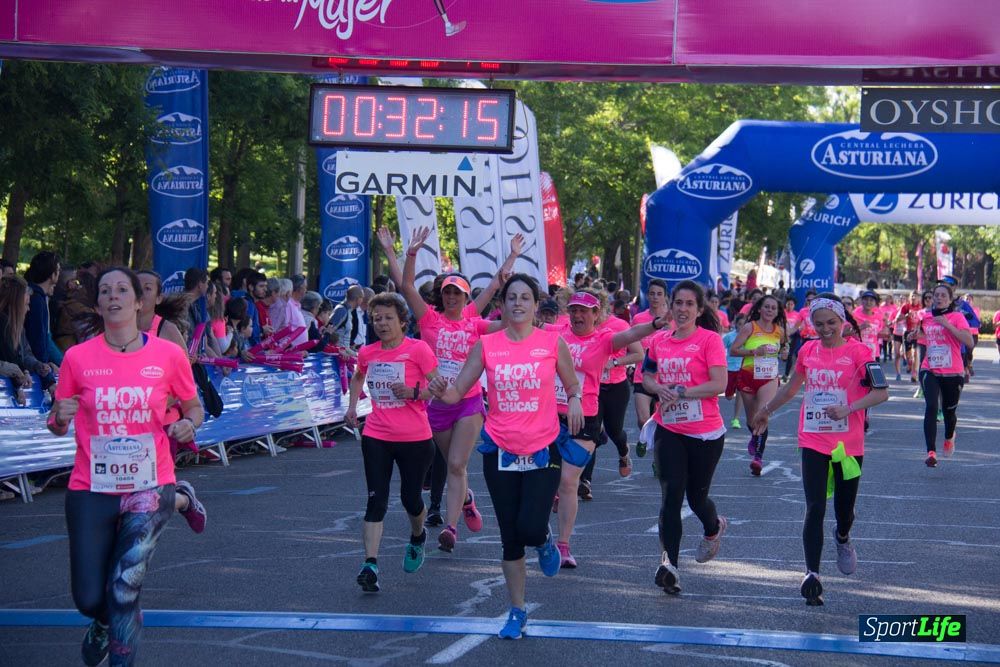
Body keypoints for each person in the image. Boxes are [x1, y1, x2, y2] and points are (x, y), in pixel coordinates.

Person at [48, 267, 205, 666]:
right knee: (89, 599)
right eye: (105, 291)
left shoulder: (168, 354)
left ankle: (176, 495)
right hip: (91, 487)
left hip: (148, 487)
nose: (113, 296)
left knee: (123, 591)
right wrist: (58, 417)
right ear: (98, 305)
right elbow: (57, 423)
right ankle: (101, 622)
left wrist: (189, 423)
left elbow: (193, 406)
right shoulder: (77, 358)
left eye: (122, 290)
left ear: (139, 302)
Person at [429, 274, 583, 640]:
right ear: (503, 305)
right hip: (500, 450)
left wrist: (575, 398)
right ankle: (517, 610)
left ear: (534, 304)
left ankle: (545, 541)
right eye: (511, 297)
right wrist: (439, 390)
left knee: (530, 527)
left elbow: (571, 381)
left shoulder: (551, 341)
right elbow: (458, 393)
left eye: (525, 297)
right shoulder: (486, 345)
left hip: (544, 447)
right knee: (511, 539)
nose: (517, 303)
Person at [377, 225, 521, 553]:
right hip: (436, 404)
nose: (452, 297)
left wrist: (512, 256)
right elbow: (406, 285)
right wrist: (401, 251)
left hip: (468, 401)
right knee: (450, 463)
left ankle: (451, 529)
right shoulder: (428, 320)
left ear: (466, 297)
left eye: (458, 292)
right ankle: (467, 498)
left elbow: (498, 285)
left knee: (456, 464)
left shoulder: (475, 318)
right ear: (441, 296)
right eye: (447, 292)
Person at [752, 293, 888, 605]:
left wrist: (850, 408)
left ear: (842, 322)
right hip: (812, 437)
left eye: (831, 323)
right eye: (819, 323)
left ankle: (843, 536)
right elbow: (791, 388)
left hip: (847, 444)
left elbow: (881, 393)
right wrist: (766, 410)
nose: (825, 328)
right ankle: (812, 574)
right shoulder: (808, 351)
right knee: (815, 506)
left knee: (843, 507)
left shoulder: (859, 352)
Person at [548, 289, 660, 566]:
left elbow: (632, 338)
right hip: (550, 416)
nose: (577, 315)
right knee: (547, 481)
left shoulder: (604, 340)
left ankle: (563, 545)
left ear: (596, 314)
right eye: (573, 310)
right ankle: (544, 532)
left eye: (584, 311)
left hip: (585, 419)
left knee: (568, 481)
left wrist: (656, 324)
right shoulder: (556, 334)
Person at [345, 293, 440, 593]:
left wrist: (414, 393)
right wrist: (351, 406)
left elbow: (438, 388)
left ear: (402, 321)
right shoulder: (368, 352)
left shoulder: (419, 350)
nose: (382, 324)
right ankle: (370, 564)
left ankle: (417, 536)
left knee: (411, 500)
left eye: (388, 318)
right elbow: (359, 375)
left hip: (415, 438)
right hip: (376, 435)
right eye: (377, 319)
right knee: (376, 501)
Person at [642, 280, 728, 595]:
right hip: (669, 427)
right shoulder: (659, 341)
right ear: (670, 307)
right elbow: (647, 376)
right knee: (671, 495)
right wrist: (658, 388)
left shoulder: (709, 341)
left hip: (705, 432)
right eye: (677, 303)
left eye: (689, 304)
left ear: (699, 309)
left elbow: (720, 382)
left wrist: (683, 392)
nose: (682, 309)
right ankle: (670, 566)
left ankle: (713, 526)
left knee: (696, 498)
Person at [913, 283, 975, 467]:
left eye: (943, 296)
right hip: (929, 368)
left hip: (953, 372)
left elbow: (969, 342)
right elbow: (926, 337)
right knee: (931, 406)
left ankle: (949, 437)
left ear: (950, 299)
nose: (938, 298)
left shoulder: (957, 317)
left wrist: (947, 324)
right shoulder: (926, 317)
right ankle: (931, 452)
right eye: (936, 295)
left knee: (949, 413)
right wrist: (914, 336)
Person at [729, 295, 787, 475]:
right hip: (748, 376)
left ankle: (758, 459)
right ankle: (755, 437)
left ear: (777, 312)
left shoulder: (780, 331)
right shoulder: (749, 327)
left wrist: (784, 353)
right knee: (751, 420)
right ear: (760, 309)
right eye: (767, 307)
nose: (770, 310)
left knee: (763, 415)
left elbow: (784, 349)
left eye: (773, 308)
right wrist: (754, 351)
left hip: (769, 377)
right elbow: (734, 350)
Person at [632, 279, 670, 458]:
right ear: (647, 295)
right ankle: (644, 437)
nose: (655, 297)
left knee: (662, 423)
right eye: (652, 293)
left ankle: (656, 458)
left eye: (659, 294)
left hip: (664, 379)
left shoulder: (672, 319)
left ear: (665, 297)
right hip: (642, 375)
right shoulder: (639, 318)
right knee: (643, 419)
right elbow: (631, 342)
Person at [0, 275, 53, 404]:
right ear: (16, 304)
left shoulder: (19, 329)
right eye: (26, 304)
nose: (28, 309)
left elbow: (24, 354)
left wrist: (36, 365)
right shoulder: (5, 325)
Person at [23, 251, 61, 375]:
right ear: (52, 274)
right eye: (58, 270)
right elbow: (38, 338)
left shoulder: (38, 297)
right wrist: (45, 372)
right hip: (35, 371)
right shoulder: (37, 300)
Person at [721, 314, 747, 430]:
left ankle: (736, 419)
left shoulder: (748, 338)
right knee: (729, 396)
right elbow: (720, 349)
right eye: (739, 324)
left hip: (743, 368)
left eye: (744, 324)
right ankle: (730, 393)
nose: (741, 327)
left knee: (740, 393)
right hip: (729, 369)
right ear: (735, 324)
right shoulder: (729, 337)